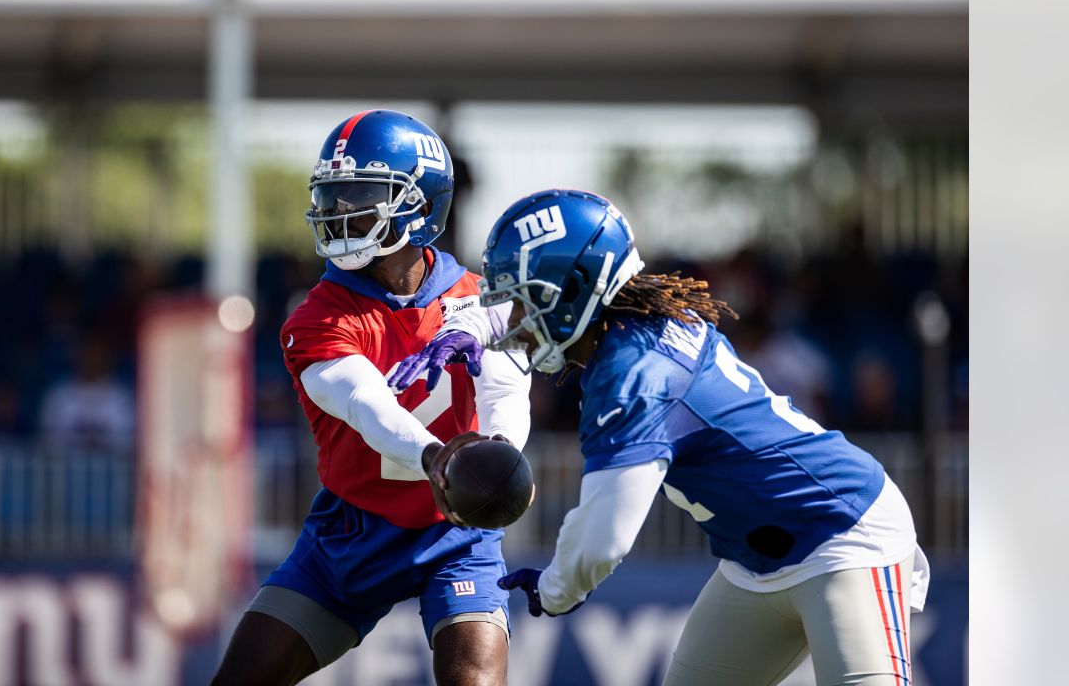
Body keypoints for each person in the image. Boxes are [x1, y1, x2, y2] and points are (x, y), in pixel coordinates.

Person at [393, 188, 929, 686]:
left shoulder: (635, 375)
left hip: (842, 534)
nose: (514, 321)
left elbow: (606, 538)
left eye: (524, 298)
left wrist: (555, 590)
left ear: (572, 291)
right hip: (755, 562)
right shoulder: (640, 329)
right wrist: (464, 328)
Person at [211, 110, 531, 686]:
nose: (338, 212)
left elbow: (505, 384)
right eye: (331, 196)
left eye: (359, 194)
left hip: (455, 531)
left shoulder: (479, 298)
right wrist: (441, 459)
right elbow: (367, 406)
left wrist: (500, 452)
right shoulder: (315, 316)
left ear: (422, 204)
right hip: (353, 529)